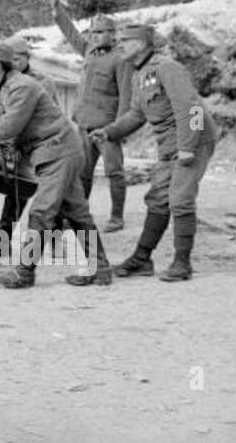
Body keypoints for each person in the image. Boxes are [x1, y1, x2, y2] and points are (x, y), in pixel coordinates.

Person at [0, 38, 112, 289]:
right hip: (57, 151)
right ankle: (101, 269)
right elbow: (1, 116)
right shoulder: (5, 86)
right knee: (77, 214)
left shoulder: (22, 87)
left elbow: (8, 126)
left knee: (41, 212)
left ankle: (24, 272)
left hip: (57, 152)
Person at [89, 22, 218, 282]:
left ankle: (182, 264)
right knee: (158, 199)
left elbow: (192, 109)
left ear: (142, 44)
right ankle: (141, 260)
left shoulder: (167, 68)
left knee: (179, 200)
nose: (120, 43)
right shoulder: (140, 73)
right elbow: (137, 113)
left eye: (126, 39)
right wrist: (110, 132)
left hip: (192, 140)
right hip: (170, 145)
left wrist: (187, 148)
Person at [0, 34, 56, 258]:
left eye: (19, 57)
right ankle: (3, 243)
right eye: (12, 57)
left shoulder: (37, 82)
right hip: (15, 144)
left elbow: (24, 121)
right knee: (16, 193)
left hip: (39, 145)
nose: (14, 61)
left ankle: (54, 243)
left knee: (52, 197)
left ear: (27, 58)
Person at [56, 9, 133, 232]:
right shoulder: (89, 52)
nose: (95, 36)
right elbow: (72, 35)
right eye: (93, 32)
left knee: (114, 172)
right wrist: (57, 12)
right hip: (84, 125)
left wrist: (118, 129)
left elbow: (126, 98)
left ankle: (117, 218)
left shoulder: (120, 59)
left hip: (107, 128)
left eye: (100, 32)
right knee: (82, 175)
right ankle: (78, 217)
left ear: (113, 34)